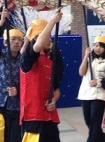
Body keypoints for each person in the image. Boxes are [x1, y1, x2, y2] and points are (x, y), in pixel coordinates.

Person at [20, 11, 64, 142]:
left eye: (50, 36)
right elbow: (38, 46)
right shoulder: (27, 59)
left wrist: (54, 101)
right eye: (46, 36)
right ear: (36, 38)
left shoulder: (51, 61)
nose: (49, 39)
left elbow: (56, 90)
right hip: (33, 117)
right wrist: (52, 22)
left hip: (49, 116)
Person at [77, 35, 105, 142]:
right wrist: (85, 56)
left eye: (101, 46)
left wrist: (98, 82)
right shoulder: (89, 58)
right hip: (85, 94)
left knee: (95, 123)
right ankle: (104, 139)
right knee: (89, 122)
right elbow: (81, 72)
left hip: (99, 95)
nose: (98, 48)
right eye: (96, 45)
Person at [0, 9, 23, 142]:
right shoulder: (1, 56)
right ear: (5, 42)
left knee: (14, 138)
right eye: (13, 39)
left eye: (19, 40)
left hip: (17, 105)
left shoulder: (24, 59)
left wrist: (18, 90)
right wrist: (2, 21)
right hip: (1, 103)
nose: (16, 42)